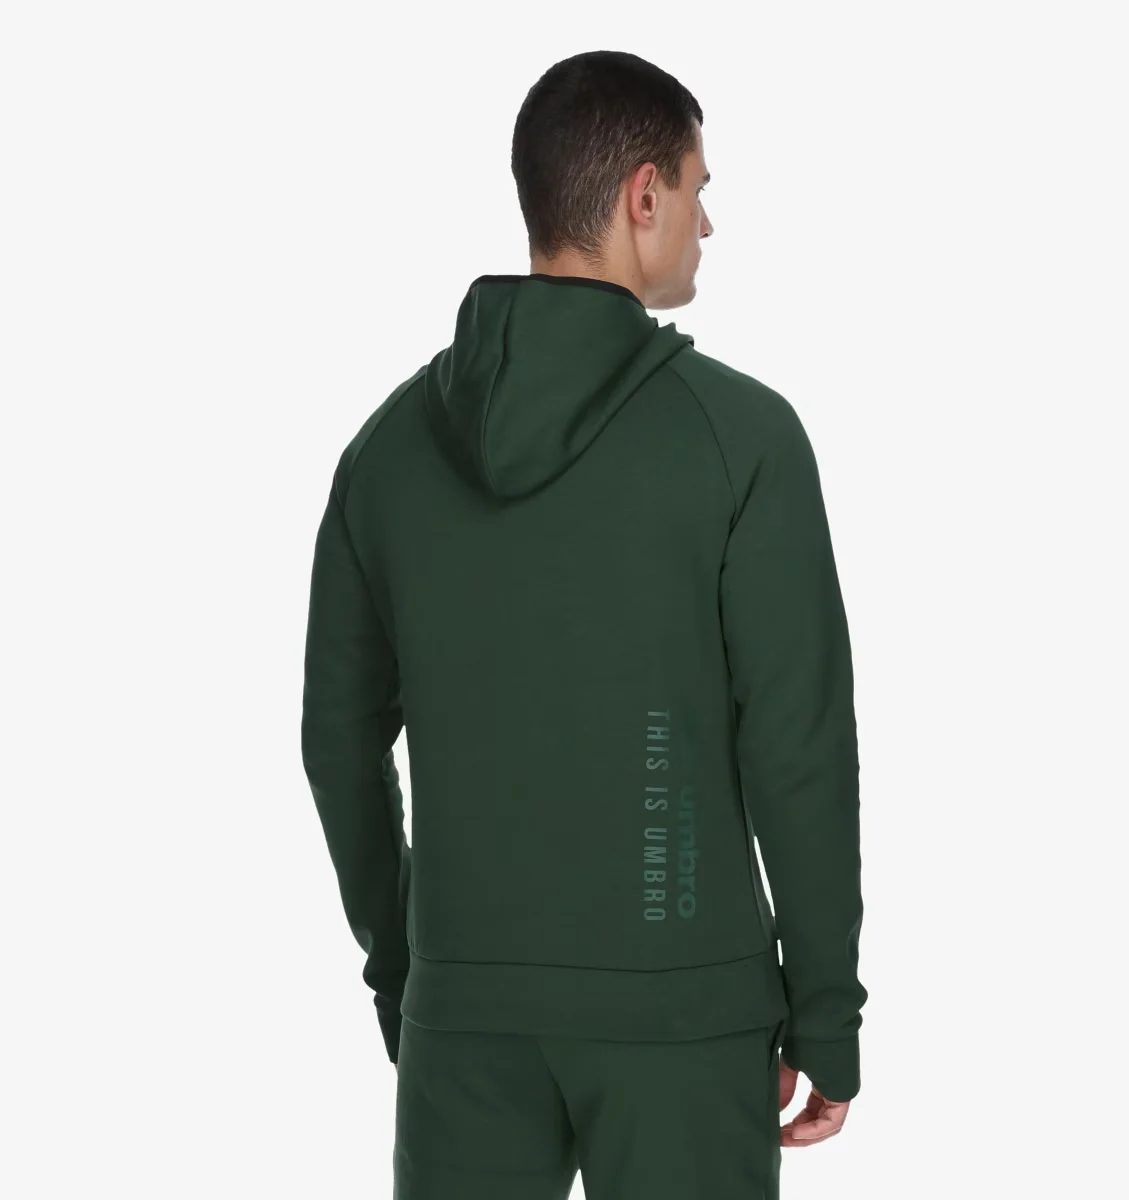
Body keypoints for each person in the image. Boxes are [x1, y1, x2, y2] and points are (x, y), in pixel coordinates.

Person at [301, 48, 867, 1200]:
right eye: (699, 190)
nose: (708, 225)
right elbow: (798, 747)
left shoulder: (386, 452)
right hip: (685, 1016)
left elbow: (337, 741)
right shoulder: (741, 439)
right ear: (642, 196)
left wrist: (409, 972)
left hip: (465, 1016)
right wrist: (825, 1012)